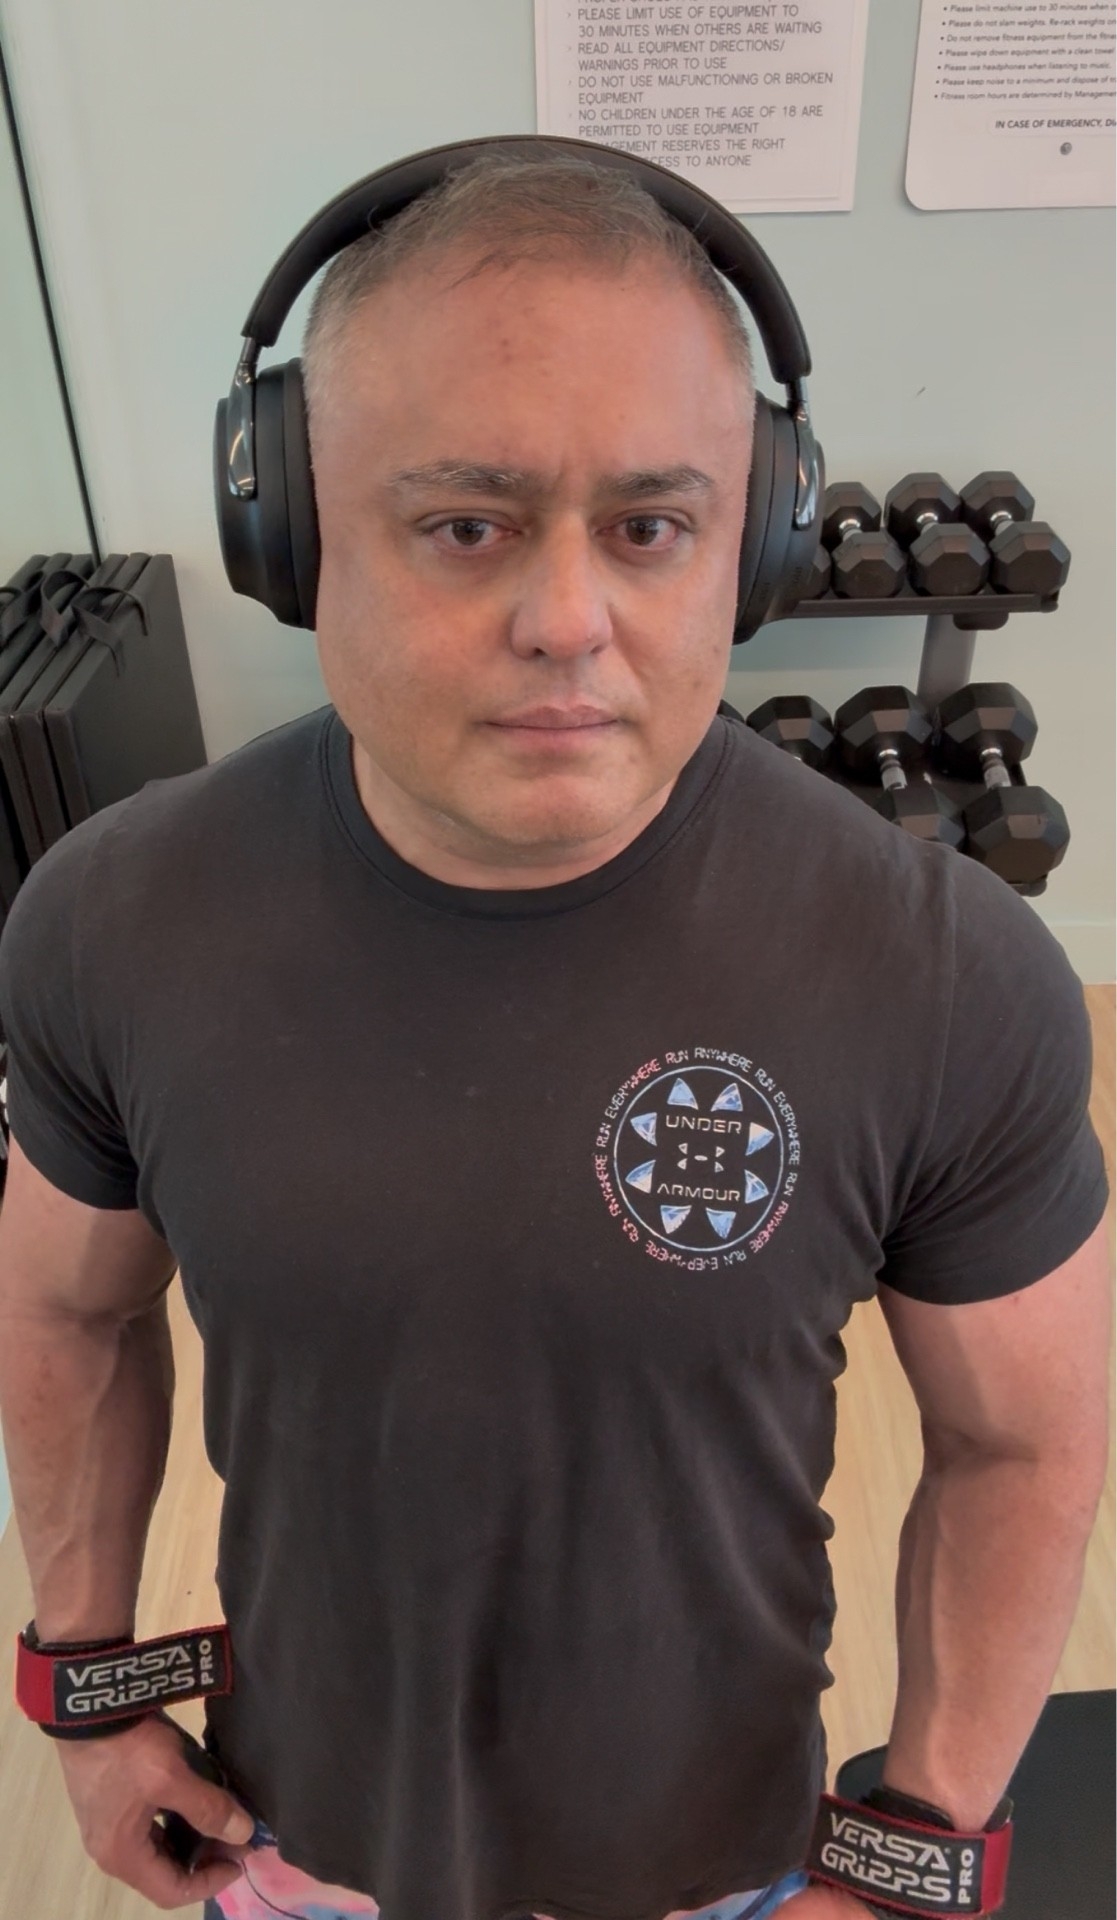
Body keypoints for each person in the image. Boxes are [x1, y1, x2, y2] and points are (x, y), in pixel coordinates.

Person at [0, 149, 1109, 1920]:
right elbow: (66, 1309)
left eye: (651, 527)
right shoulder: (110, 920)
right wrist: (92, 1692)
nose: (569, 622)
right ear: (291, 538)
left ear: (751, 541)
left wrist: (911, 1853)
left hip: (724, 1872)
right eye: (467, 524)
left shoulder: (949, 975)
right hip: (285, 1839)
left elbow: (1021, 1444)